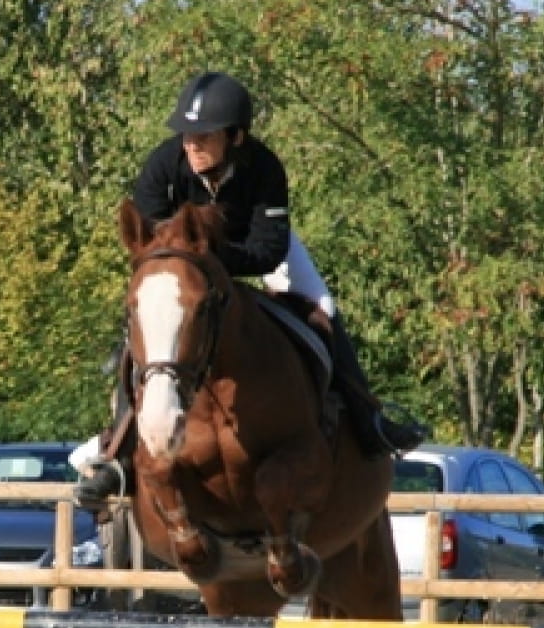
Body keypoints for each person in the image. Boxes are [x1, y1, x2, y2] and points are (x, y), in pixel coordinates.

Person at [74, 71, 426, 507]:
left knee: (322, 305)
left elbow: (268, 250)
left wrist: (216, 264)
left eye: (204, 136)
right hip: (182, 262)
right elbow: (152, 241)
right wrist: (191, 268)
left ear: (236, 136)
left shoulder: (264, 167)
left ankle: (368, 417)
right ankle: (117, 452)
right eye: (187, 134)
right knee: (153, 326)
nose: (192, 144)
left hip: (246, 251)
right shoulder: (163, 165)